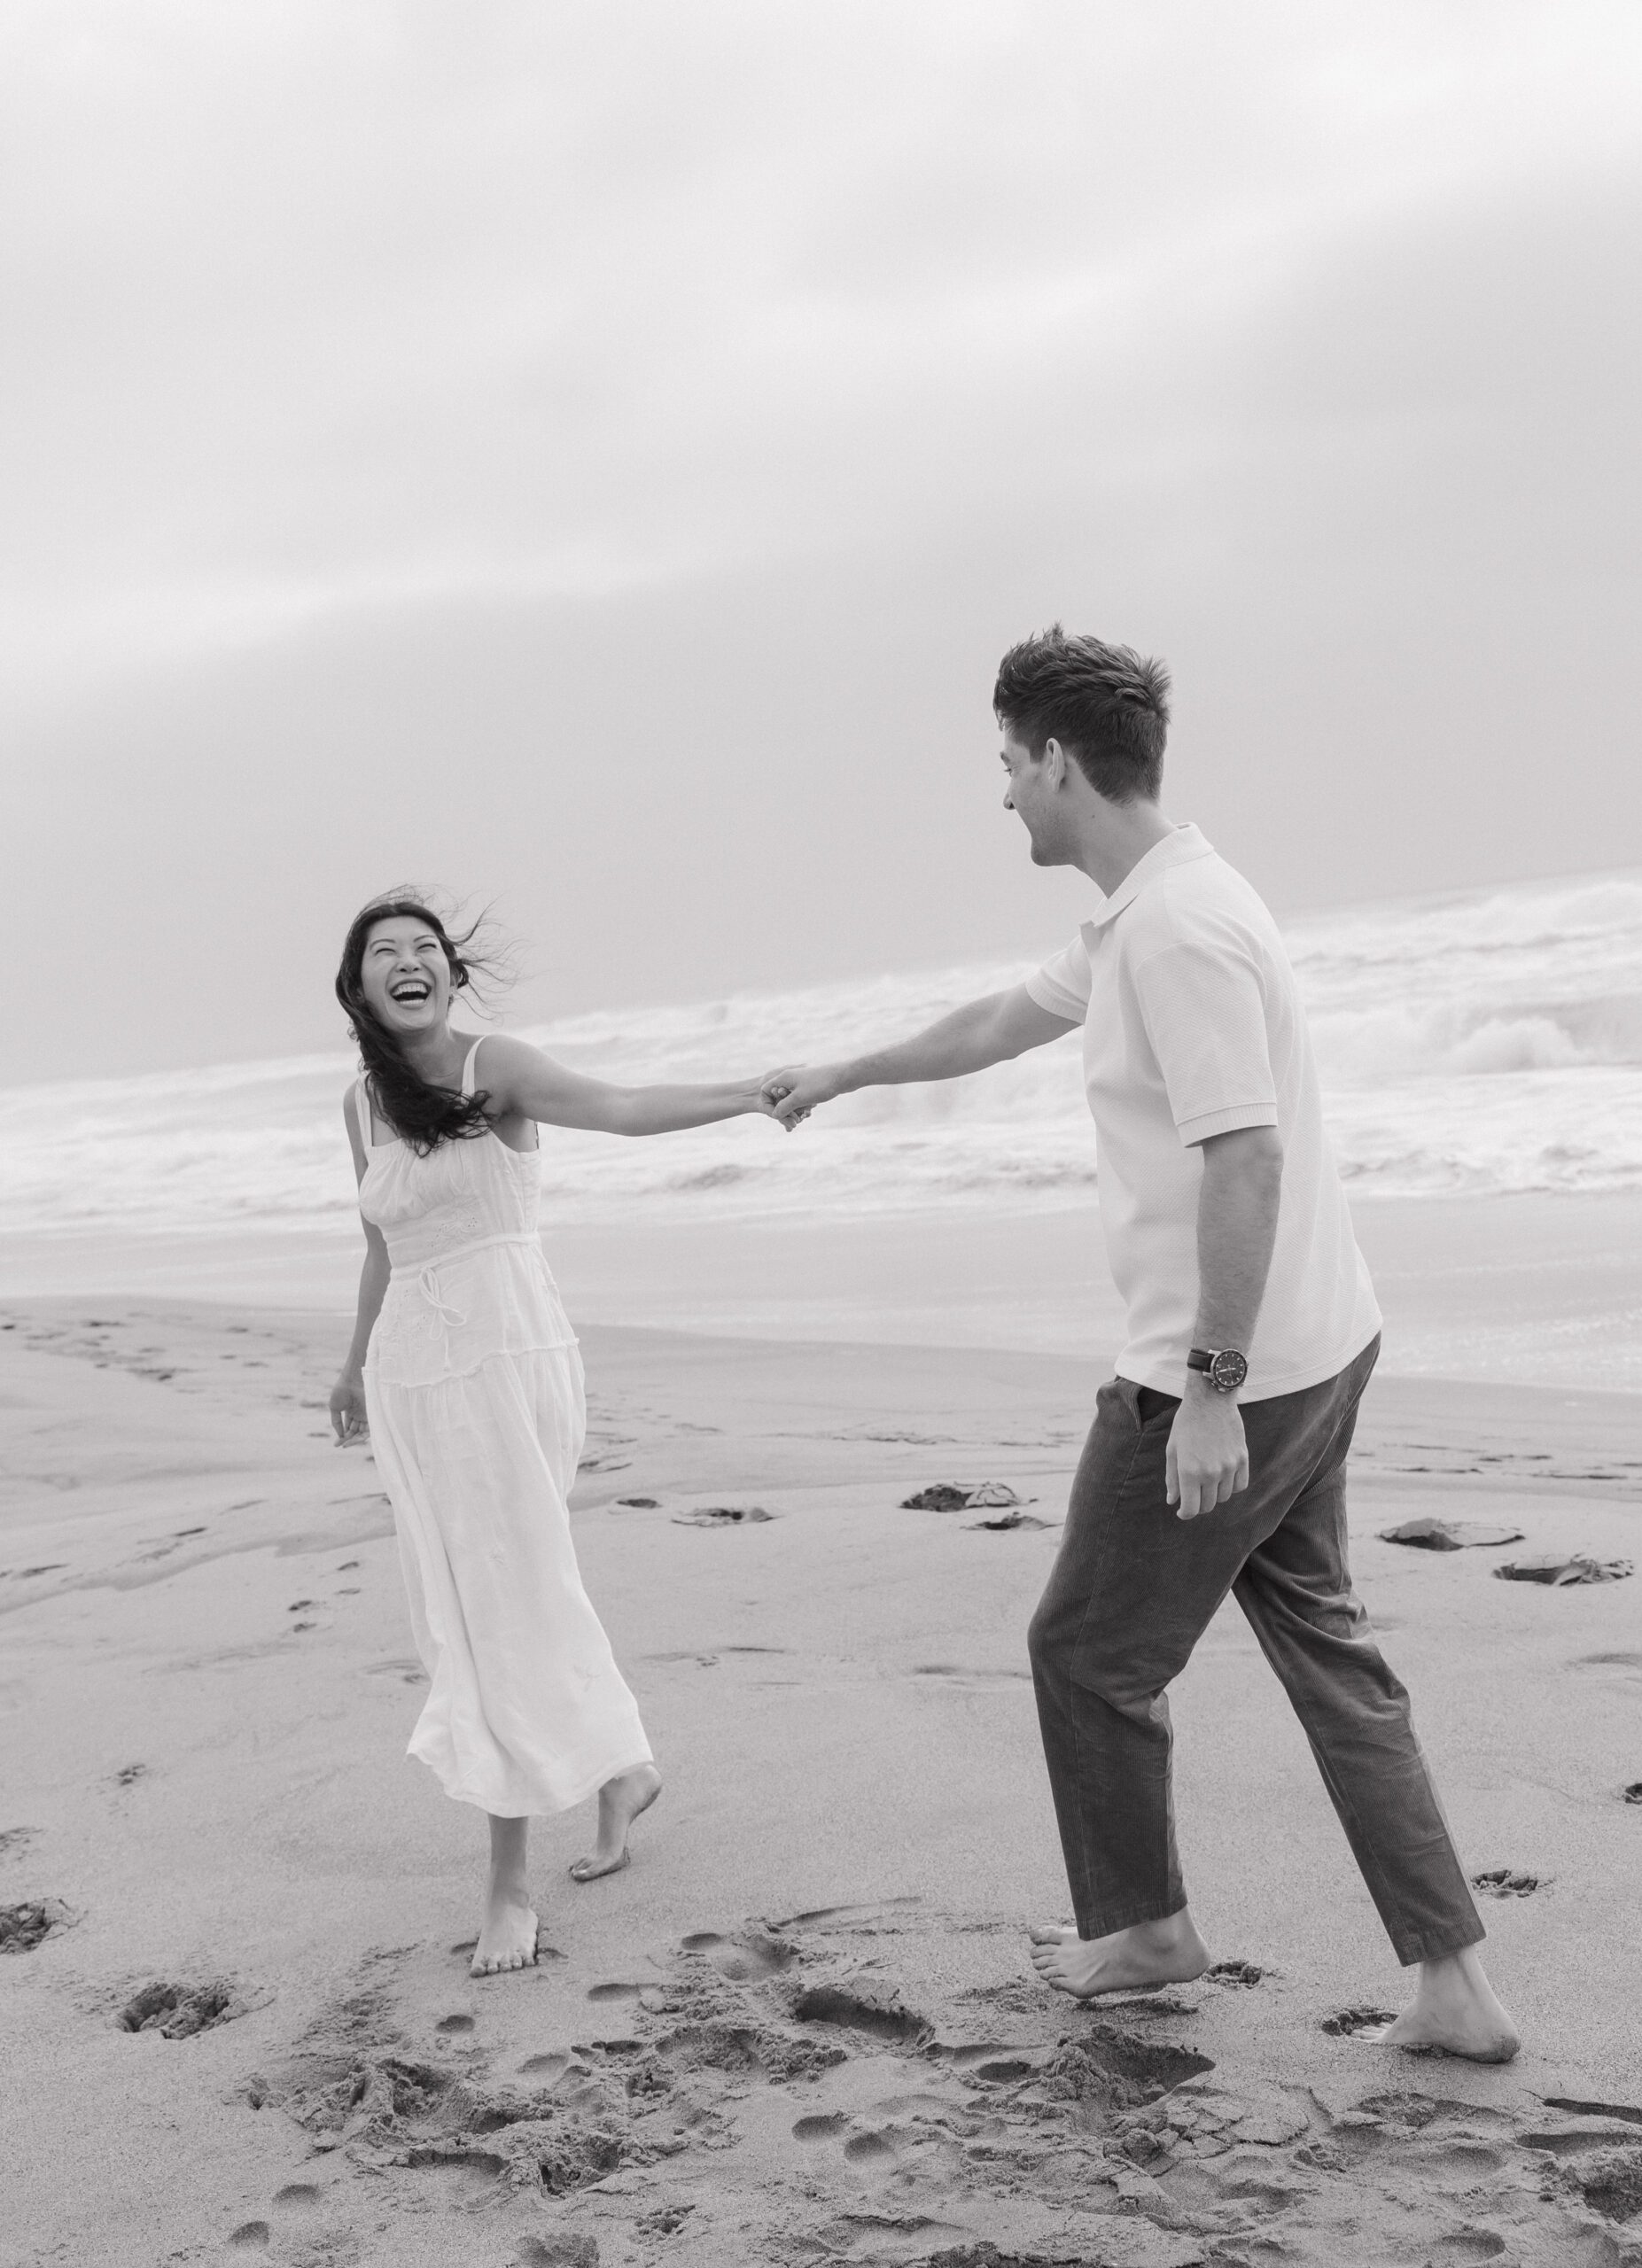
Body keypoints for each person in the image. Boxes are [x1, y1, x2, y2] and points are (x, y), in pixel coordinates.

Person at [762, 627, 1519, 2062]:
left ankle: (1148, 1930)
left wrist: (1208, 1394)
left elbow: (1243, 1157)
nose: (999, 795)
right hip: (1319, 1335)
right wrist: (848, 1069)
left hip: (1229, 1368)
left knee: (1083, 1652)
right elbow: (1004, 1016)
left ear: (1056, 759)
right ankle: (1451, 1985)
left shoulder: (1173, 930)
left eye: (1004, 765)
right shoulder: (1152, 907)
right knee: (1327, 1654)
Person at [330, 893, 775, 1977]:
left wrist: (749, 1094)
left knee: (504, 1602)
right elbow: (385, 1243)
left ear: (449, 973)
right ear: (358, 988)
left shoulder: (498, 1067)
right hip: (415, 1375)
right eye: (384, 954)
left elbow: (620, 1106)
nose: (407, 964)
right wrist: (350, 1362)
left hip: (509, 1359)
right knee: (479, 1604)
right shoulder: (357, 1103)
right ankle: (619, 1769)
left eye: (424, 951)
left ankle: (508, 1888)